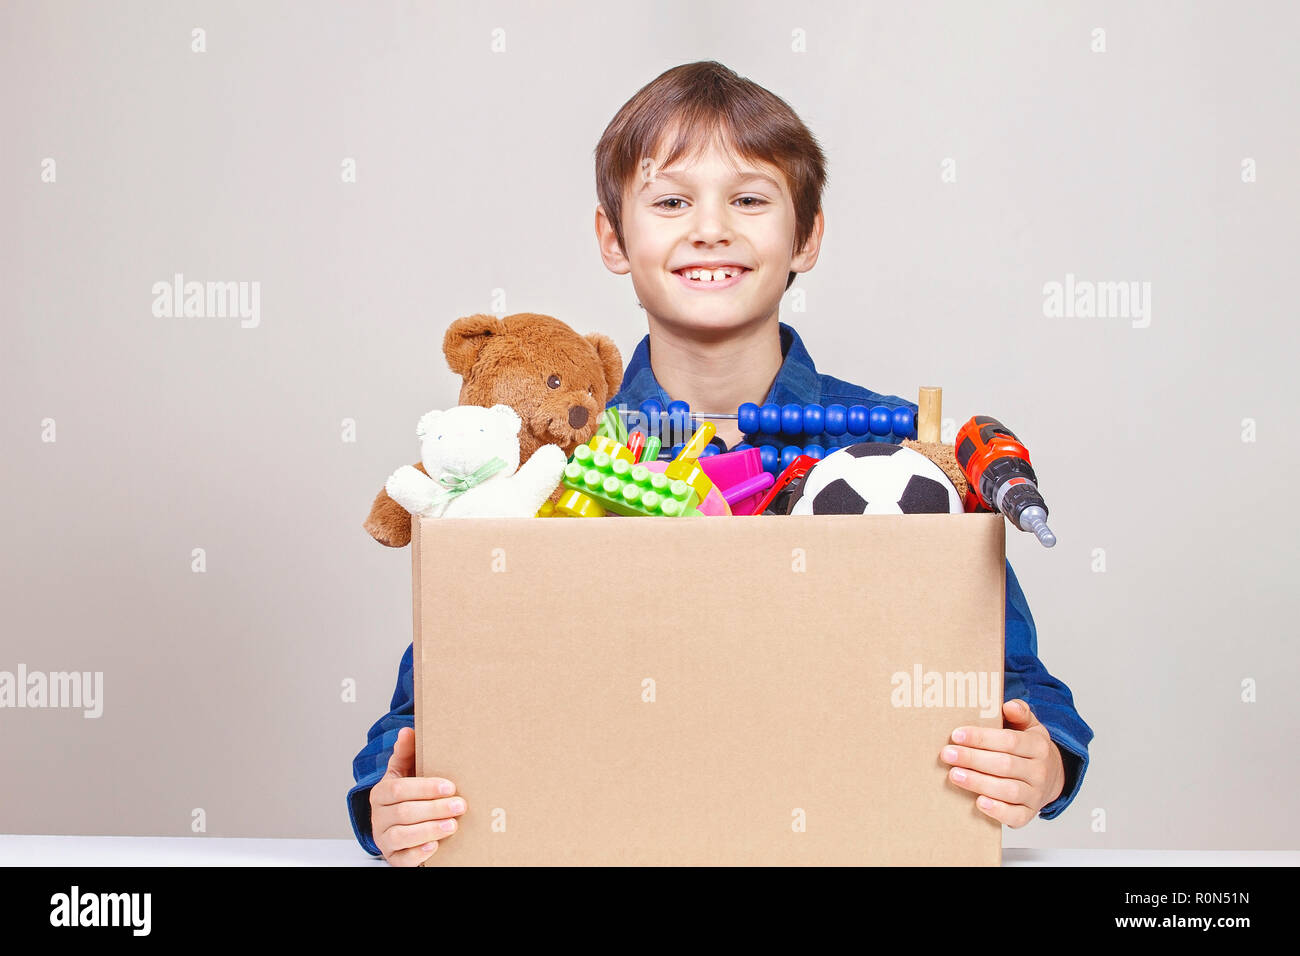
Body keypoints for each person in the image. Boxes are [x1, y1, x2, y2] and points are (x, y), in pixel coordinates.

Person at [349, 60, 1093, 864]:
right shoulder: (552, 462)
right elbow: (428, 702)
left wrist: (1040, 760)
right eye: (671, 201)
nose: (710, 229)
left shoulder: (905, 460)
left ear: (806, 236)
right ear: (613, 237)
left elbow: (1020, 683)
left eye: (749, 198)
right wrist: (389, 798)